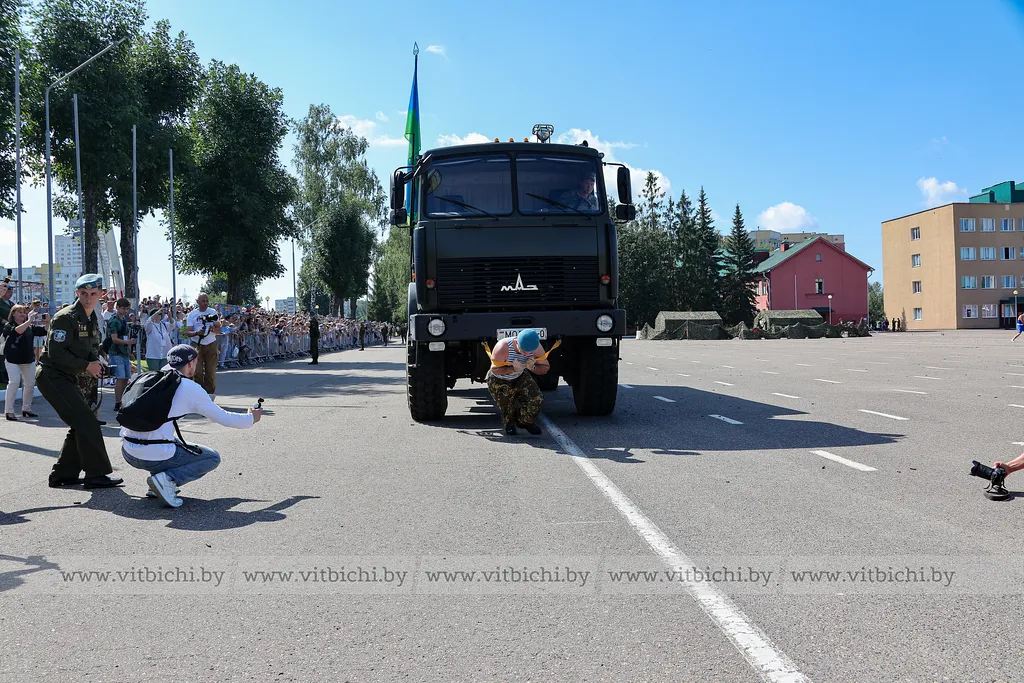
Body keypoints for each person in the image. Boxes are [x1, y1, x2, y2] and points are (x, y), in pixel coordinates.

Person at [119, 344, 264, 508]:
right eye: (196, 362)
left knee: (170, 438)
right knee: (211, 458)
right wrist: (251, 418)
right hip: (154, 455)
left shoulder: (148, 377)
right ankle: (167, 480)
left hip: (128, 452)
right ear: (190, 363)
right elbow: (225, 418)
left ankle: (157, 486)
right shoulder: (189, 388)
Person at [36, 274, 123, 489]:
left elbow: (90, 349)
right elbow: (56, 354)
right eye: (84, 293)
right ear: (77, 293)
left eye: (93, 293)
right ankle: (96, 475)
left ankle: (63, 475)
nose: (88, 298)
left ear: (101, 294)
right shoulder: (65, 317)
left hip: (68, 376)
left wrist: (98, 363)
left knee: (80, 423)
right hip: (52, 376)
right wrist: (87, 366)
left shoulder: (91, 317)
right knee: (87, 421)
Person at [486, 329, 550, 436]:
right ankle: (509, 425)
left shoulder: (536, 348)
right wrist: (512, 369)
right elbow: (495, 369)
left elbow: (545, 368)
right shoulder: (503, 347)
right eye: (524, 351)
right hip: (499, 378)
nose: (527, 354)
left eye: (530, 352)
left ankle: (524, 422)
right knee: (507, 405)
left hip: (520, 375)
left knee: (536, 399)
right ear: (516, 342)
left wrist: (533, 368)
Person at [4, 304, 47, 420]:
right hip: (12, 359)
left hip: (28, 359)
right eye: (20, 312)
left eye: (24, 312)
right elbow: (18, 331)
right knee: (14, 382)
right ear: (13, 314)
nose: (23, 314)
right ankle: (9, 411)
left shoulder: (30, 327)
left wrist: (48, 322)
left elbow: (45, 331)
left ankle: (26, 409)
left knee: (30, 384)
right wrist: (29, 320)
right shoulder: (9, 326)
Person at [185, 292, 220, 399]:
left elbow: (219, 329)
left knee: (211, 372)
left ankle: (209, 395)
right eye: (203, 301)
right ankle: (198, 395)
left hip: (211, 344)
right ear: (197, 301)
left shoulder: (212, 312)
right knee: (197, 372)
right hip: (197, 344)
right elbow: (188, 332)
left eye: (207, 301)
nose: (205, 303)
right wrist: (197, 333)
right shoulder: (192, 314)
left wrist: (212, 329)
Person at [106, 298, 138, 411]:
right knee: (120, 377)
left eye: (127, 309)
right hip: (115, 352)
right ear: (117, 307)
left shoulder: (124, 320)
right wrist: (128, 342)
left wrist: (129, 352)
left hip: (123, 352)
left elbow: (124, 337)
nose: (125, 311)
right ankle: (117, 402)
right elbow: (114, 339)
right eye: (123, 308)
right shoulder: (113, 321)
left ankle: (122, 401)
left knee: (126, 377)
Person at [143, 306, 173, 371]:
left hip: (165, 354)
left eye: (159, 315)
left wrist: (170, 316)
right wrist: (158, 312)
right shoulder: (149, 326)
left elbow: (172, 324)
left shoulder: (164, 325)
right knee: (154, 373)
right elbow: (149, 321)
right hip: (153, 355)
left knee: (164, 373)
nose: (157, 316)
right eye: (155, 314)